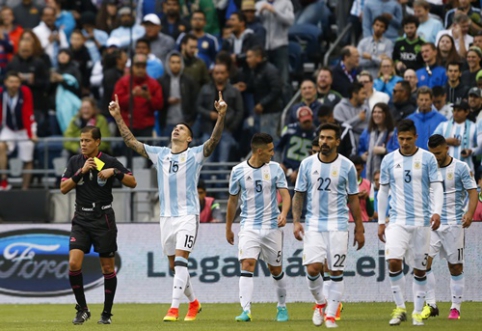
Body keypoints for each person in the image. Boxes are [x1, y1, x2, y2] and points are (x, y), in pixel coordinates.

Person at [109, 91, 227, 322]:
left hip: (187, 215)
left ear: (189, 139)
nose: (177, 129)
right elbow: (131, 142)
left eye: (182, 129)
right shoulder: (160, 154)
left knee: (182, 260)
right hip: (166, 218)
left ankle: (173, 309)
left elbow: (213, 141)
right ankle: (194, 303)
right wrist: (117, 116)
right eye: (175, 127)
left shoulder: (195, 154)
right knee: (175, 265)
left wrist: (221, 115)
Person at [60, 126, 137, 325]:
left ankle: (106, 314)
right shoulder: (75, 161)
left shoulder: (109, 161)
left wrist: (115, 172)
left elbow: (132, 182)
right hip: (81, 218)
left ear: (97, 142)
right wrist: (81, 172)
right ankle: (83, 309)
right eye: (81, 141)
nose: (83, 144)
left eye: (87, 140)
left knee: (107, 268)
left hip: (103, 218)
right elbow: (63, 188)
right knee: (73, 263)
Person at [292, 123, 365, 328]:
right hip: (313, 225)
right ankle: (320, 303)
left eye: (329, 138)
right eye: (322, 137)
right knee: (313, 268)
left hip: (338, 225)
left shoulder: (347, 166)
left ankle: (331, 315)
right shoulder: (307, 164)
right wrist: (296, 221)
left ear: (337, 141)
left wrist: (359, 227)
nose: (324, 142)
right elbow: (299, 194)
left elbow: (353, 199)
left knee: (336, 272)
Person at [377, 119, 443, 326]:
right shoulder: (388, 159)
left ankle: (416, 312)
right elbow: (383, 191)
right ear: (397, 137)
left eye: (408, 138)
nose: (404, 142)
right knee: (393, 261)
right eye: (401, 138)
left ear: (416, 137)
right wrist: (381, 221)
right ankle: (400, 309)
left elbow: (437, 186)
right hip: (397, 221)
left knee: (420, 269)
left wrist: (437, 212)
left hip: (422, 222)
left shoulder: (428, 159)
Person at [226, 132, 291, 322]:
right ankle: (246, 310)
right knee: (247, 264)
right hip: (249, 226)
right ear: (259, 151)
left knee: (275, 270)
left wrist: (284, 213)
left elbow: (286, 196)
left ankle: (282, 307)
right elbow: (232, 201)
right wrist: (228, 227)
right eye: (270, 150)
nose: (273, 154)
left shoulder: (276, 169)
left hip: (272, 226)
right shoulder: (238, 170)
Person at [423, 134, 477, 320]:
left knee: (455, 267)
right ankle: (431, 304)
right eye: (432, 153)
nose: (435, 157)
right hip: (431, 224)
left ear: (446, 148)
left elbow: (472, 192)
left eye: (438, 153)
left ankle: (455, 308)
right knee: (423, 263)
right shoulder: (426, 168)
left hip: (454, 224)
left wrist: (469, 213)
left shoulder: (461, 167)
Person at [0, 71, 37, 191]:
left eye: (16, 82)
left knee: (27, 157)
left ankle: (25, 188)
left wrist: (32, 134)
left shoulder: (25, 92)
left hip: (24, 129)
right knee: (0, 146)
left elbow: (28, 112)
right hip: (9, 128)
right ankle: (4, 180)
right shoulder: (2, 93)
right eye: (11, 82)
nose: (14, 84)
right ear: (5, 83)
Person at [276, 106, 317, 184]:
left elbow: (314, 157)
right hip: (286, 169)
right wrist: (279, 163)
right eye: (304, 121)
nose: (307, 124)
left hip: (305, 172)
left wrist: (299, 171)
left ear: (312, 118)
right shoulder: (289, 129)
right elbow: (278, 147)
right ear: (298, 120)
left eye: (308, 120)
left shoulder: (316, 134)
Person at [434, 100, 477, 173]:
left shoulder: (473, 127)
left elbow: (480, 146)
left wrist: (471, 151)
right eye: (454, 110)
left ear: (466, 112)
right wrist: (445, 141)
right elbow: (430, 142)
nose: (455, 113)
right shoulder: (443, 125)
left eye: (459, 110)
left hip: (467, 171)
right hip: (445, 171)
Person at [358, 102, 396, 181]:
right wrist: (362, 156)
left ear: (386, 114)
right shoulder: (367, 132)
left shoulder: (393, 132)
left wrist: (385, 151)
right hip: (367, 172)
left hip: (386, 172)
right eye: (374, 112)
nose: (376, 115)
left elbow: (398, 151)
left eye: (379, 112)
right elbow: (360, 149)